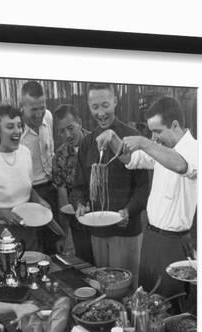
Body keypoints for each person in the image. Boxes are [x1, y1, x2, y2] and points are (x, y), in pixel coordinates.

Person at [96, 96, 197, 297]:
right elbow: (130, 159)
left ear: (175, 125)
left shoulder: (196, 148)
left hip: (174, 244)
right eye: (151, 133)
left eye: (157, 131)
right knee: (146, 297)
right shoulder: (161, 148)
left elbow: (180, 165)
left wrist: (143, 141)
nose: (155, 138)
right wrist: (112, 137)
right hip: (150, 237)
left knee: (169, 304)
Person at [70, 83, 149, 288]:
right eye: (95, 107)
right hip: (97, 230)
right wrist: (79, 204)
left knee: (127, 287)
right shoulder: (87, 143)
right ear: (89, 106)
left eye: (105, 105)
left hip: (127, 230)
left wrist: (128, 211)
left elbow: (143, 188)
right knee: (103, 285)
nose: (101, 112)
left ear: (115, 101)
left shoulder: (132, 137)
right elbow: (78, 186)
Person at [0, 104, 49, 250]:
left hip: (28, 227)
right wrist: (3, 214)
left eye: (19, 126)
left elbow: (26, 187)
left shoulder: (25, 153)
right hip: (2, 233)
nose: (17, 131)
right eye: (10, 127)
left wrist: (39, 200)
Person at [20, 81, 58, 254]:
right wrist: (36, 198)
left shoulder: (48, 117)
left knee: (54, 244)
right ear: (22, 107)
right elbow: (16, 176)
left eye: (41, 107)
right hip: (28, 194)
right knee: (33, 247)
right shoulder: (16, 132)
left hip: (51, 188)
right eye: (33, 109)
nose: (39, 114)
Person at [52, 103, 93, 263]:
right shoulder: (60, 156)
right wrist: (65, 234)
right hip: (77, 221)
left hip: (102, 219)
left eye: (71, 128)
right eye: (62, 131)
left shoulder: (97, 144)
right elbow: (62, 198)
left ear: (80, 123)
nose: (67, 135)